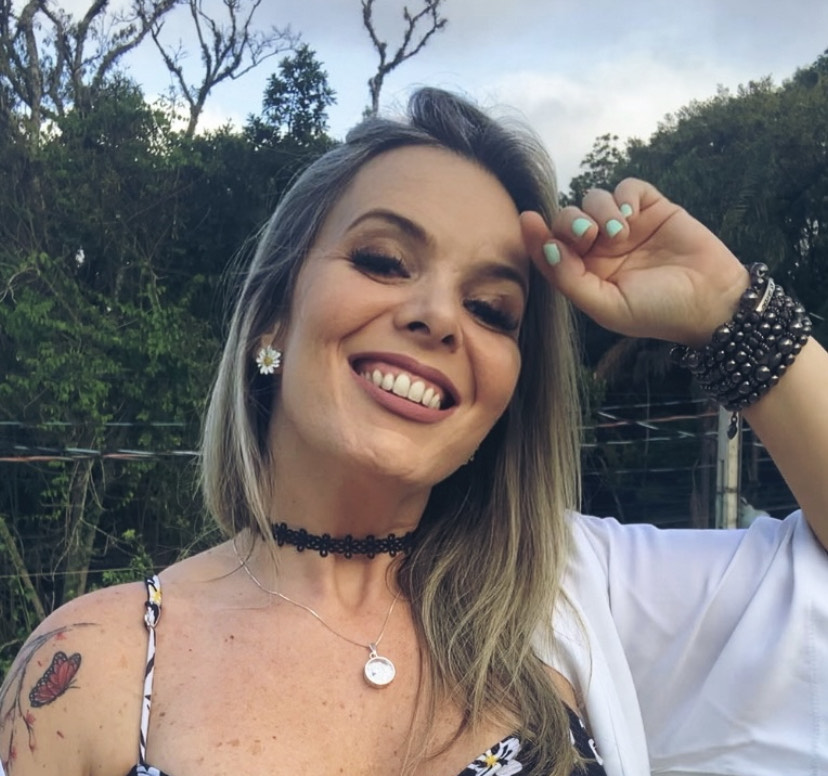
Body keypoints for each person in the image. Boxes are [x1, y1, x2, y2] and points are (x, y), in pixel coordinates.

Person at [0, 87, 826, 776]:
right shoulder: (91, 671)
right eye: (384, 261)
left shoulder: (578, 589)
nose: (437, 316)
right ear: (273, 316)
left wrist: (729, 309)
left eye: (491, 309)